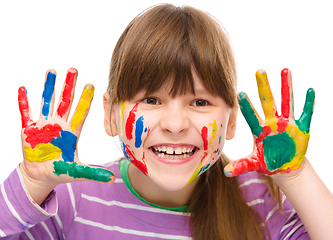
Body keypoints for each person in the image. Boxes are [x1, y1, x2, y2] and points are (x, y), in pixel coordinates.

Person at [0, 3, 332, 240]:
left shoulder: (262, 203)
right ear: (109, 115)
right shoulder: (73, 201)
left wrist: (296, 175)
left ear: (231, 121)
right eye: (151, 100)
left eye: (200, 102)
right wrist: (33, 182)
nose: (175, 124)